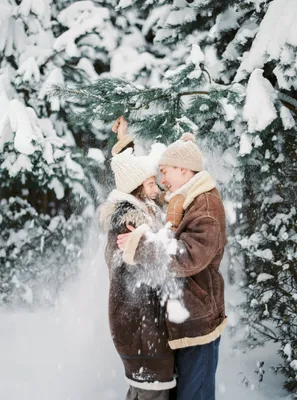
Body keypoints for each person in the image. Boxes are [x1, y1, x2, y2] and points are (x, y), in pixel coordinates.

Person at [117, 131, 228, 400]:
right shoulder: (184, 200)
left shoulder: (206, 207)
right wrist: (123, 147)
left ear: (184, 169)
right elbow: (137, 184)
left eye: (165, 172)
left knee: (195, 396)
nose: (162, 180)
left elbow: (187, 257)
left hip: (198, 326)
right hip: (183, 322)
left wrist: (139, 247)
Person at [99, 125, 176, 400]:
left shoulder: (144, 209)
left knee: (145, 390)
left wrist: (124, 144)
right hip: (140, 328)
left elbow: (133, 172)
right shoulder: (128, 221)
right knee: (151, 392)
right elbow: (154, 264)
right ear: (137, 189)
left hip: (145, 326)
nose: (157, 189)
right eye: (151, 183)